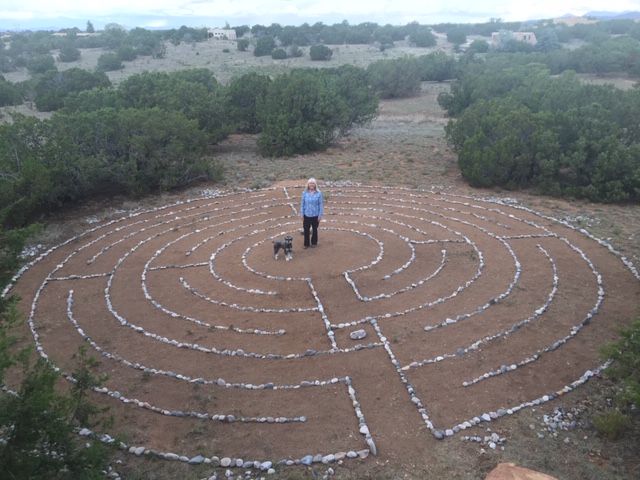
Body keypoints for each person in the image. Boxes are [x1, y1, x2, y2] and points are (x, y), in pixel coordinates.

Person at [300, 178, 323, 249]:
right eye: (310, 183)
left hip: (315, 215)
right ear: (308, 184)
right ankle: (306, 244)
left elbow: (320, 205)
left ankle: (314, 243)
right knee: (306, 230)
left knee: (315, 230)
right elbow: (302, 204)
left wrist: (320, 215)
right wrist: (302, 214)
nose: (311, 185)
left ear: (315, 184)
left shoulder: (319, 193)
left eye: (313, 183)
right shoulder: (305, 193)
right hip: (307, 215)